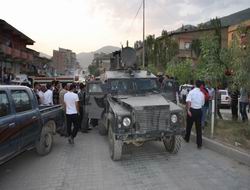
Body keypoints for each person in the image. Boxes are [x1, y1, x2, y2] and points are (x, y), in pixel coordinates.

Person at [184, 80, 205, 149]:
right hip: (199, 111)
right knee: (198, 128)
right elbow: (202, 104)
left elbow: (188, 101)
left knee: (189, 126)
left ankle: (187, 138)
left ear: (195, 84)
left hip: (192, 110)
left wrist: (188, 110)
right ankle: (199, 144)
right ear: (201, 85)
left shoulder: (191, 92)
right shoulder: (202, 94)